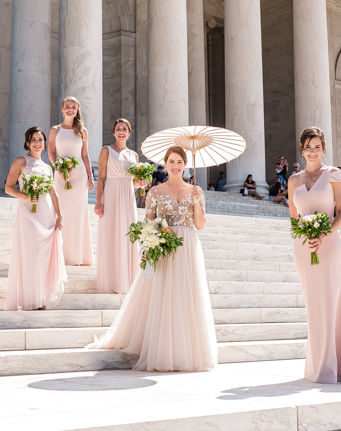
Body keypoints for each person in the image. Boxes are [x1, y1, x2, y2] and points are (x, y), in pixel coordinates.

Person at [88, 146, 217, 372]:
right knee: (164, 296)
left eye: (179, 162)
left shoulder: (196, 191)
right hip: (163, 247)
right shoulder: (155, 192)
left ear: (184, 165)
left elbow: (199, 225)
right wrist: (147, 248)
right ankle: (163, 350)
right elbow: (149, 223)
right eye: (171, 162)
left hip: (188, 247)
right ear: (165, 164)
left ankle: (185, 351)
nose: (175, 166)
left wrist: (197, 202)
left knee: (186, 296)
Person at [288, 127, 341, 384]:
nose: (312, 150)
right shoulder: (294, 180)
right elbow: (293, 218)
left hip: (329, 246)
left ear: (324, 148)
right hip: (303, 247)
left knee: (330, 301)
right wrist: (306, 236)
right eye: (308, 146)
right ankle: (316, 365)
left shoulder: (334, 174)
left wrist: (323, 235)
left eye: (317, 146)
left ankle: (331, 366)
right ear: (301, 149)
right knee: (313, 305)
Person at [3, 127, 66, 311]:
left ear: (44, 143)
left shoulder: (47, 167)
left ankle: (42, 298)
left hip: (47, 214)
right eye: (34, 139)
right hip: (29, 213)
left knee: (45, 257)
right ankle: (31, 299)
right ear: (27, 143)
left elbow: (54, 194)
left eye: (40, 139)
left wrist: (59, 216)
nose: (37, 143)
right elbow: (8, 187)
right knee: (32, 255)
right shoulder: (21, 161)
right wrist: (25, 197)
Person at [94, 119, 147, 294]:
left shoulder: (134, 155)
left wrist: (141, 183)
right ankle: (111, 281)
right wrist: (98, 202)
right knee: (112, 233)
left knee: (128, 234)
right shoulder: (106, 150)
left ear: (129, 133)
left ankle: (128, 280)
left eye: (124, 129)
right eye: (118, 129)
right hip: (111, 195)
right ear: (114, 132)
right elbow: (101, 178)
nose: (121, 131)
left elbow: (133, 183)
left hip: (127, 198)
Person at [49, 97, 95, 267]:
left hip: (79, 176)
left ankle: (78, 256)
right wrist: (58, 169)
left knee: (78, 213)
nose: (70, 109)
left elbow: (84, 156)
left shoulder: (82, 131)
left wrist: (91, 176)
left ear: (77, 110)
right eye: (67, 106)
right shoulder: (55, 130)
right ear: (62, 109)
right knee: (61, 211)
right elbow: (51, 153)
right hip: (60, 176)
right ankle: (58, 255)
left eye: (73, 107)